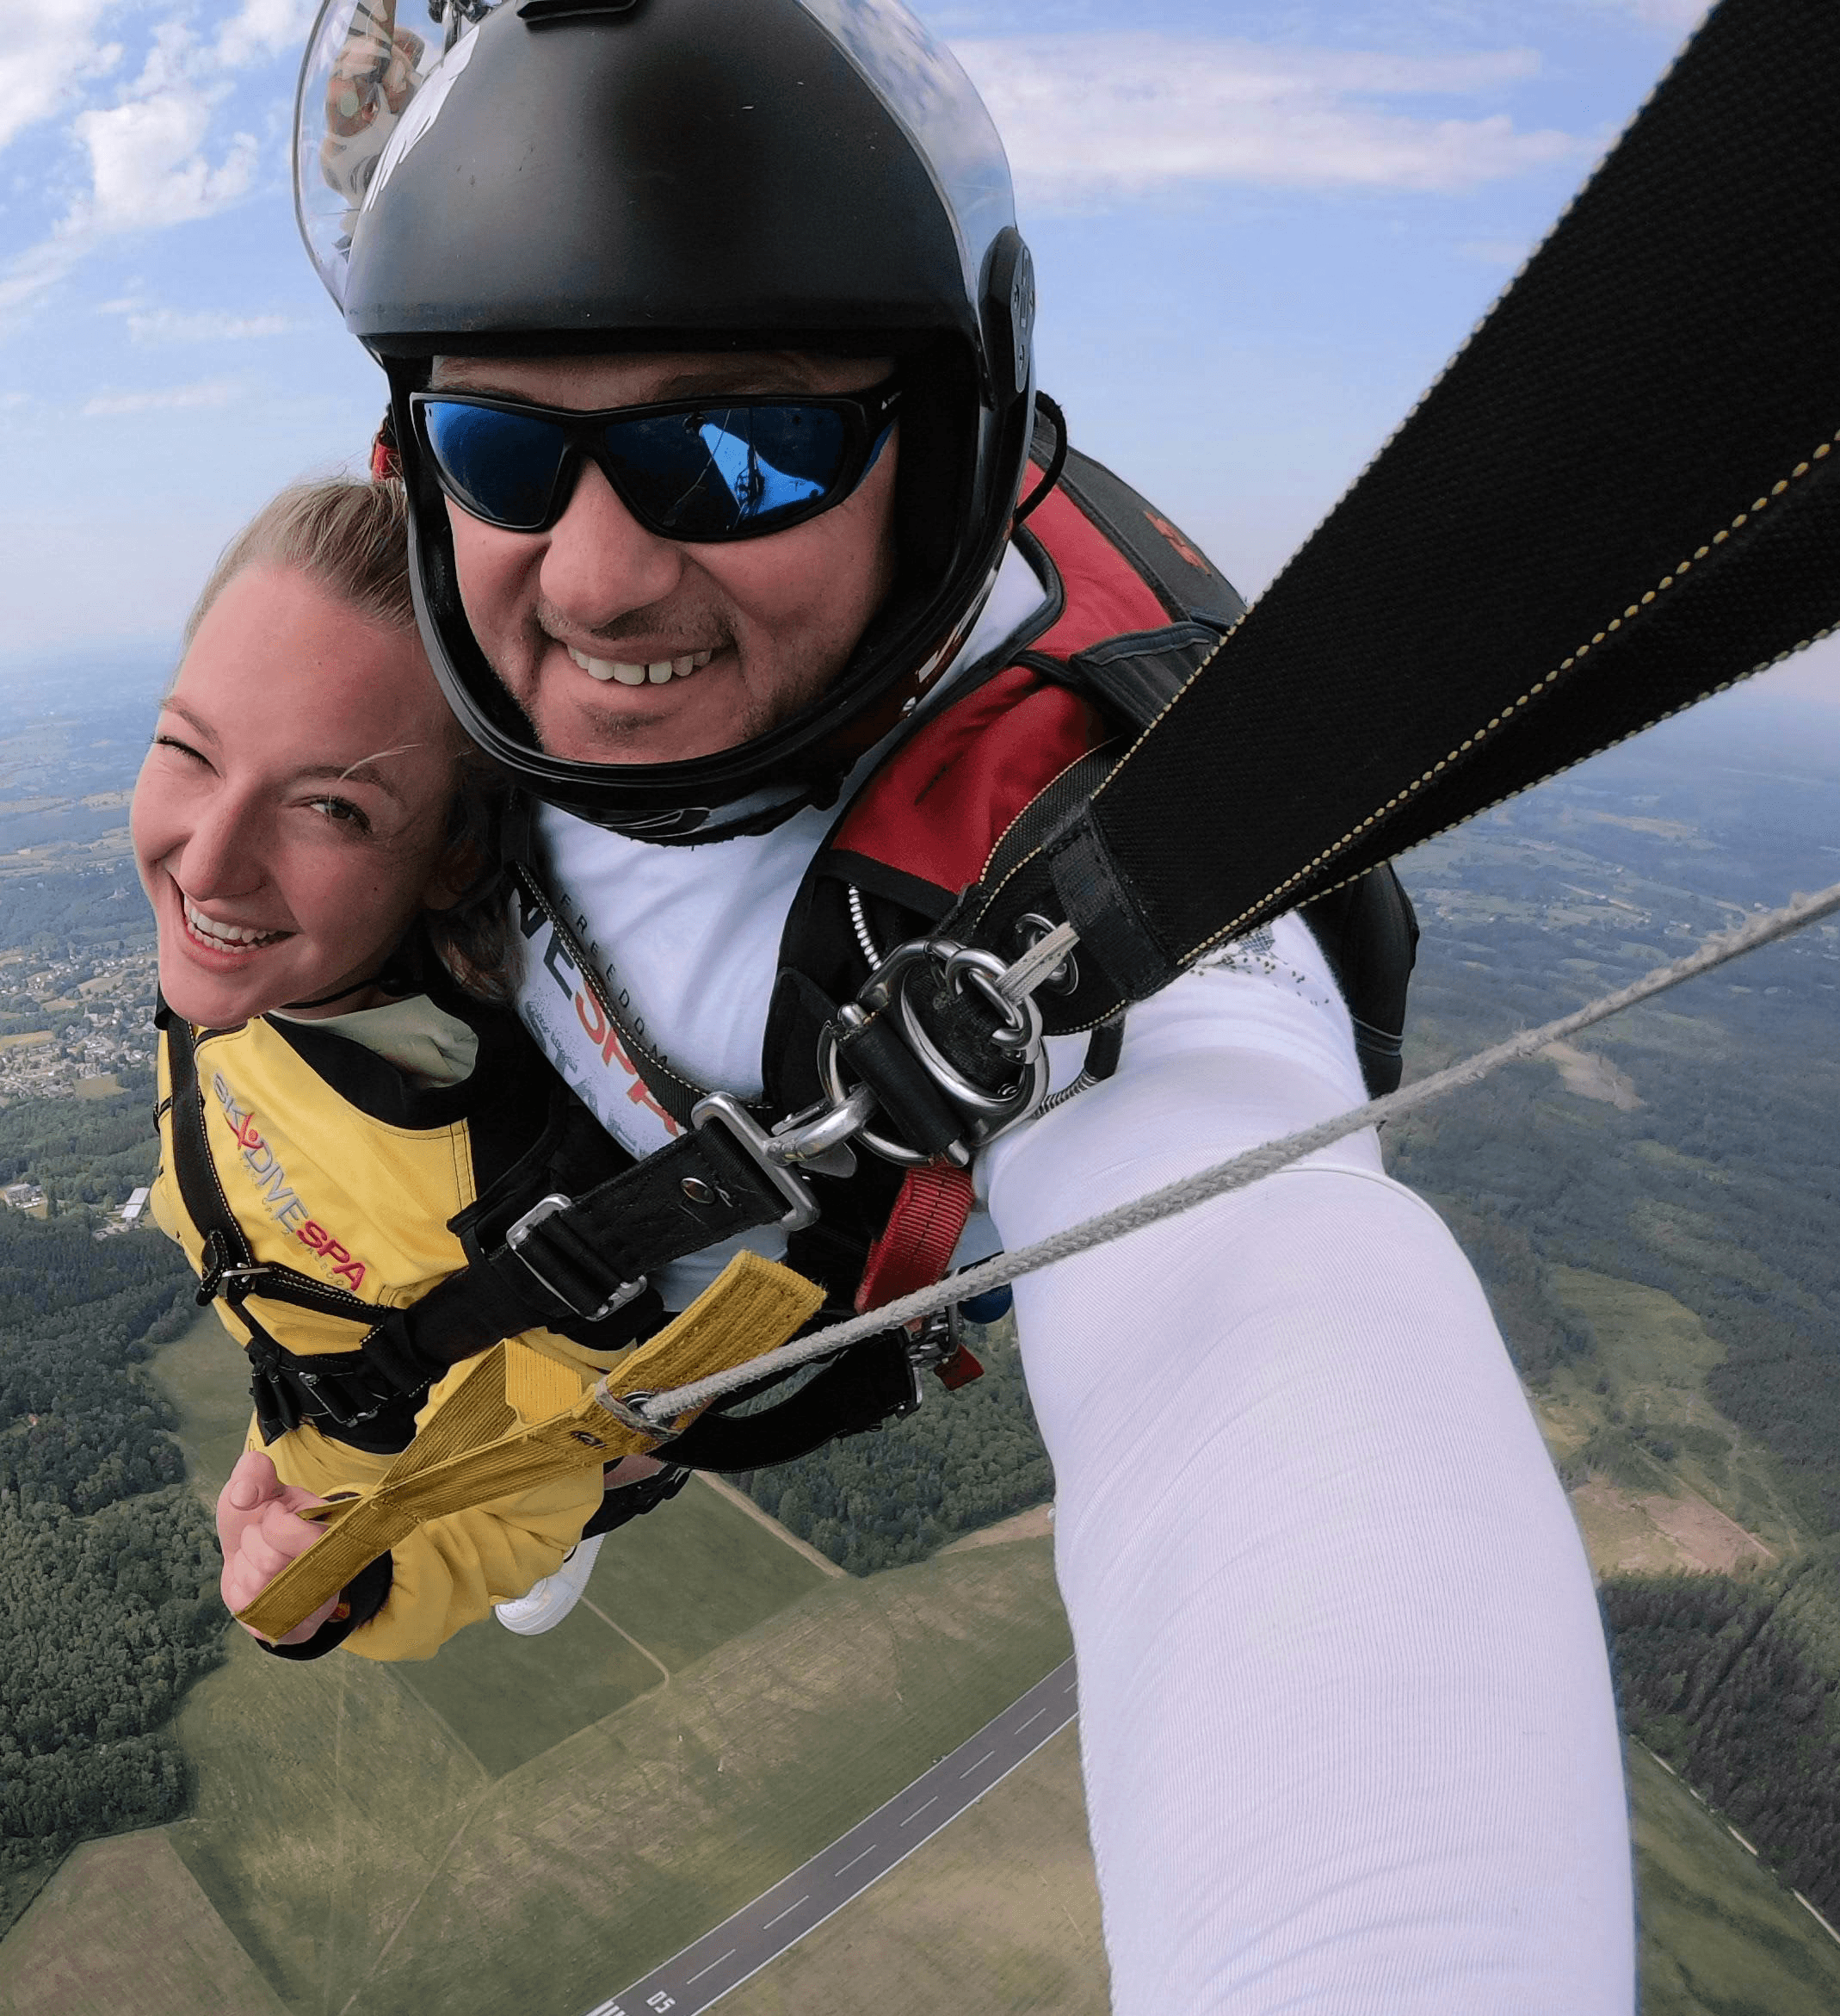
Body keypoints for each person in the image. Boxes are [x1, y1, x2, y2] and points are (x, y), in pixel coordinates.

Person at [290, 0, 1632, 2008]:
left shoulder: (1096, 862)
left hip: (758, 1296)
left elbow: (1265, 1309)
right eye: (501, 440)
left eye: (734, 447)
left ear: (944, 448)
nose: (592, 578)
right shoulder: (433, 614)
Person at [135, 475, 679, 1660]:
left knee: (565, 1509)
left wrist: (345, 1590)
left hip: (445, 1447)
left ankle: (624, 1485)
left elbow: (509, 1502)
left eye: (328, 806)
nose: (208, 862)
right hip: (321, 1400)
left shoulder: (522, 1187)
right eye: (188, 749)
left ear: (451, 857)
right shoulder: (253, 983)